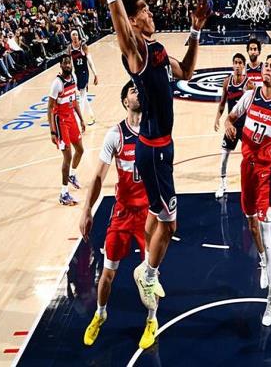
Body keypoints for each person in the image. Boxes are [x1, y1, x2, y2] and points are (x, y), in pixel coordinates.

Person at [96, 0, 210, 314]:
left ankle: (147, 266)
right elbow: (113, 0)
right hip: (152, 151)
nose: (150, 12)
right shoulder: (136, 51)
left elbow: (187, 72)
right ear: (132, 20)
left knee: (156, 214)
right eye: (143, 9)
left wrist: (195, 31)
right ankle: (147, 272)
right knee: (171, 224)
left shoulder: (158, 50)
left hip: (164, 147)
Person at [80, 81, 164, 349]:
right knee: (107, 273)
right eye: (133, 90)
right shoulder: (115, 135)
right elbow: (98, 176)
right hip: (123, 212)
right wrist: (87, 209)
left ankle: (152, 320)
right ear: (125, 101)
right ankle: (100, 314)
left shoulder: (154, 129)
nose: (138, 92)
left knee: (151, 277)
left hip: (148, 214)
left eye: (140, 89)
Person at [225, 54, 271, 326]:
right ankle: (264, 262)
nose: (266, 68)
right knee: (251, 225)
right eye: (265, 65)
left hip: (266, 173)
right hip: (246, 168)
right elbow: (231, 117)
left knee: (267, 235)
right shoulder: (250, 96)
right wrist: (228, 124)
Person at [47, 54, 86, 205]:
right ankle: (63, 194)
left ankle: (72, 175)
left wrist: (81, 119)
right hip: (61, 121)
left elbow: (74, 101)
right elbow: (50, 109)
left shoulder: (73, 78)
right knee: (67, 157)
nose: (68, 65)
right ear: (61, 66)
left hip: (71, 119)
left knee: (80, 150)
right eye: (65, 63)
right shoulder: (57, 83)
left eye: (69, 63)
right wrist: (52, 131)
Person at [214, 53, 248, 198]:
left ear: (244, 66)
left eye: (240, 63)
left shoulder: (249, 84)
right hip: (231, 126)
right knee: (224, 156)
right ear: (233, 64)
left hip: (245, 127)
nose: (237, 65)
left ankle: (251, 184)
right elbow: (222, 103)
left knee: (250, 158)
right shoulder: (227, 82)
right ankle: (223, 184)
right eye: (236, 62)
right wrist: (217, 118)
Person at [68, 29, 99, 125]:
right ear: (71, 37)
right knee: (83, 95)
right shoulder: (69, 48)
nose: (75, 36)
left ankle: (78, 121)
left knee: (81, 96)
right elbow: (69, 63)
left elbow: (90, 61)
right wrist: (69, 75)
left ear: (78, 36)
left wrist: (95, 74)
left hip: (84, 72)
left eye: (76, 34)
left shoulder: (83, 46)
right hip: (76, 73)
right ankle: (91, 116)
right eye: (73, 35)